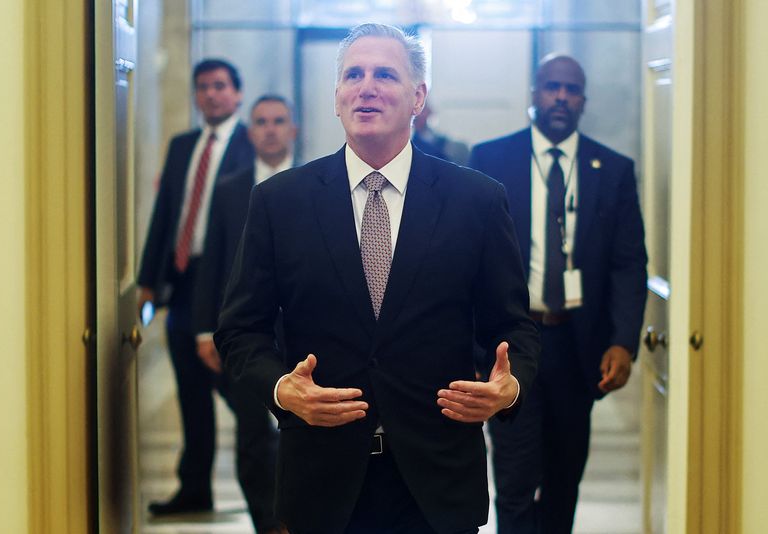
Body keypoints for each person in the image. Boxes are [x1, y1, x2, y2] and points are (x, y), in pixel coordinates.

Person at [214, 23, 540, 534]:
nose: (367, 86)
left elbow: (514, 327)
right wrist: (282, 390)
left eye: (385, 74)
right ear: (337, 97)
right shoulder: (281, 202)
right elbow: (239, 332)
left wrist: (510, 385)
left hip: (437, 483)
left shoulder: (476, 200)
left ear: (418, 96)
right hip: (322, 480)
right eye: (353, 75)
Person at [469, 54, 648, 534]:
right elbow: (468, 261)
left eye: (571, 89)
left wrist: (622, 340)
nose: (561, 97)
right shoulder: (490, 160)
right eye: (551, 87)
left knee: (564, 479)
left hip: (576, 345)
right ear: (534, 94)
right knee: (513, 479)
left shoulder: (611, 169)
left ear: (583, 100)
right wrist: (470, 346)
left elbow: (629, 262)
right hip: (511, 342)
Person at [137, 58, 254, 515]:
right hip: (184, 281)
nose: (211, 94)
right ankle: (194, 487)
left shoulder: (250, 146)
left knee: (239, 392)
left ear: (237, 93)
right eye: (203, 87)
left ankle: (271, 492)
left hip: (228, 283)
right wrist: (149, 280)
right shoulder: (183, 145)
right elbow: (165, 214)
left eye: (220, 86)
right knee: (191, 391)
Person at [194, 94, 298, 532]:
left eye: (278, 121)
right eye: (261, 122)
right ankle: (266, 523)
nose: (270, 129)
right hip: (248, 333)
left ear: (293, 129)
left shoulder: (315, 181)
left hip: (300, 331)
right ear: (250, 131)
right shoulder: (230, 188)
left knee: (300, 433)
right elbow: (212, 262)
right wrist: (205, 329)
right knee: (253, 437)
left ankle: (300, 518)